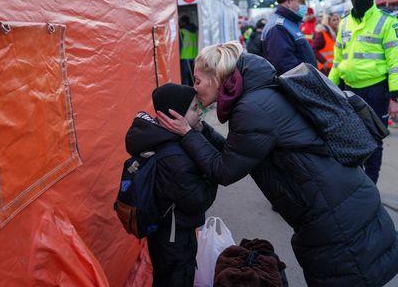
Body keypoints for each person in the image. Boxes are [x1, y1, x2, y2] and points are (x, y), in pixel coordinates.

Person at [157, 41, 398, 286]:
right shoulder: (257, 95)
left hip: (335, 220)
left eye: (197, 81)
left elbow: (224, 170)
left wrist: (188, 133)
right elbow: (236, 154)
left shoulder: (251, 108)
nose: (194, 89)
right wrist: (200, 129)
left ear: (217, 77)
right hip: (339, 205)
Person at [125, 83, 217, 287]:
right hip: (175, 239)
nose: (200, 112)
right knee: (176, 278)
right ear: (175, 116)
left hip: (167, 231)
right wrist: (212, 174)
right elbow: (198, 199)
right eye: (194, 108)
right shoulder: (175, 159)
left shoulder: (166, 140)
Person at [329, 0, 398, 184]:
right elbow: (337, 60)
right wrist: (330, 88)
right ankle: (357, 184)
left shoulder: (387, 22)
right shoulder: (344, 22)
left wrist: (395, 97)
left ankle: (371, 188)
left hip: (376, 92)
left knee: (374, 142)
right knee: (352, 140)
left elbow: (395, 61)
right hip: (350, 91)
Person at [261, 0, 317, 76]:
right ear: (288, 2)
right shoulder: (278, 27)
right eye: (301, 2)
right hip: (296, 87)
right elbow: (287, 69)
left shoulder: (290, 23)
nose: (305, 6)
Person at [179, 16, 198, 86]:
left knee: (185, 76)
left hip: (184, 56)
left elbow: (180, 45)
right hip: (193, 55)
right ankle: (192, 87)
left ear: (184, 22)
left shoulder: (182, 32)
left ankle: (185, 90)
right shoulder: (194, 30)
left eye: (180, 22)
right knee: (192, 75)